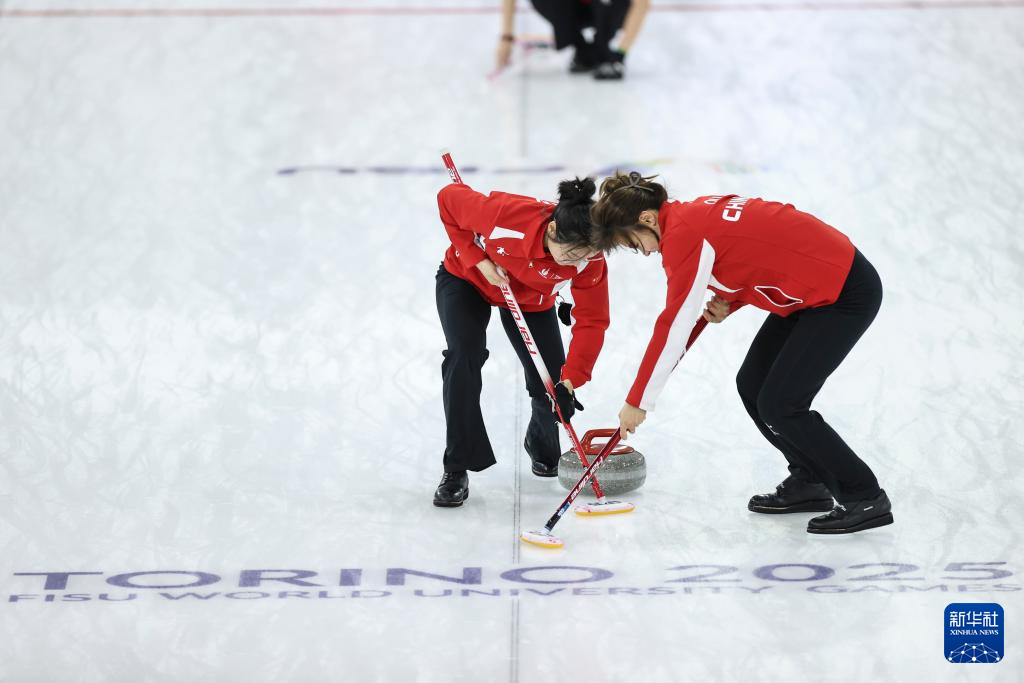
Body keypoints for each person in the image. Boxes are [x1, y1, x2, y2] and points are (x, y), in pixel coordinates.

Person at [588, 171, 891, 534]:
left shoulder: (684, 234)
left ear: (648, 219)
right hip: (811, 292)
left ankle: (864, 495)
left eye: (636, 243)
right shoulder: (690, 216)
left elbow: (674, 324)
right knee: (753, 384)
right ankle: (810, 480)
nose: (645, 252)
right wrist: (733, 299)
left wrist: (638, 400)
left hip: (843, 294)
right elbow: (762, 252)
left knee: (782, 403)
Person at [433, 177, 609, 507]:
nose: (576, 264)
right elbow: (447, 198)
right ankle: (455, 467)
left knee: (553, 382)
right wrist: (477, 258)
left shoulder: (590, 259)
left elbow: (593, 321)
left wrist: (572, 378)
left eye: (585, 256)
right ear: (553, 231)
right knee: (464, 356)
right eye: (570, 254)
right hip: (466, 280)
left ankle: (540, 442)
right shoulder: (505, 215)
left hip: (530, 300)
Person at [497, 0, 651, 80]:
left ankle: (603, 49)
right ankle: (582, 48)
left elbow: (642, 4)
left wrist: (620, 53)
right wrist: (506, 38)